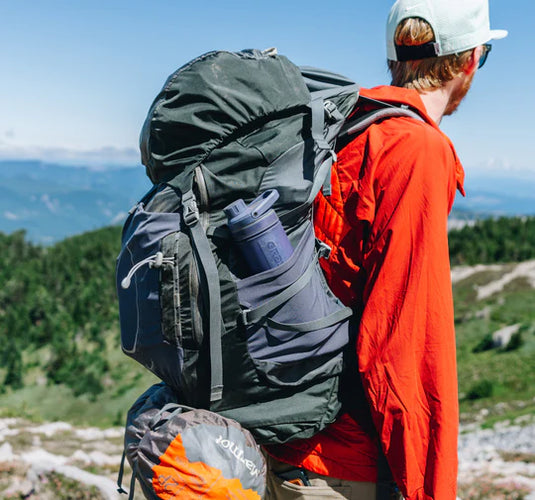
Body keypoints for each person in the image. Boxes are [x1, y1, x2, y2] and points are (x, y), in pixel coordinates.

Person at [263, 1, 507, 499]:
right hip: (340, 462)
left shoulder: (346, 124)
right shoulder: (413, 149)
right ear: (467, 61)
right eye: (483, 56)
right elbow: (405, 343)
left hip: (281, 438)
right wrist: (430, 489)